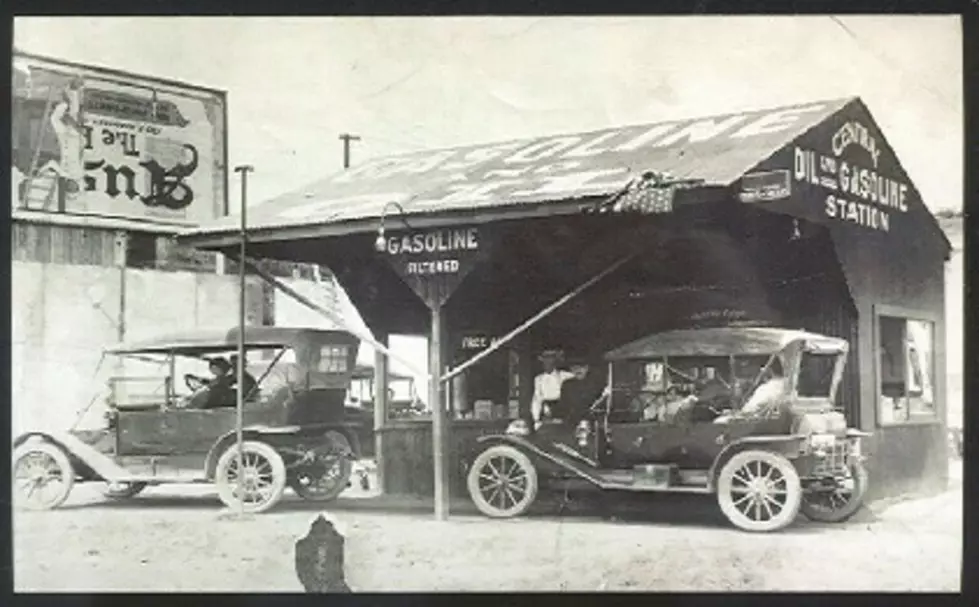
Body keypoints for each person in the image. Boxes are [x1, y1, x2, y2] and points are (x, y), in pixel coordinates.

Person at [530, 350, 575, 429]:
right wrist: (536, 419)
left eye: (551, 358)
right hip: (547, 412)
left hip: (563, 411)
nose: (548, 362)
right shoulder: (538, 379)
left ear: (555, 361)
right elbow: (537, 399)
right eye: (545, 358)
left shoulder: (566, 376)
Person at [558, 360, 609, 424]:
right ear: (571, 369)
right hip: (572, 422)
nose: (578, 370)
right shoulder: (567, 385)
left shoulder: (596, 384)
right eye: (574, 367)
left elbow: (601, 404)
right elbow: (563, 405)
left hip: (593, 422)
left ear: (587, 368)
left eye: (581, 367)